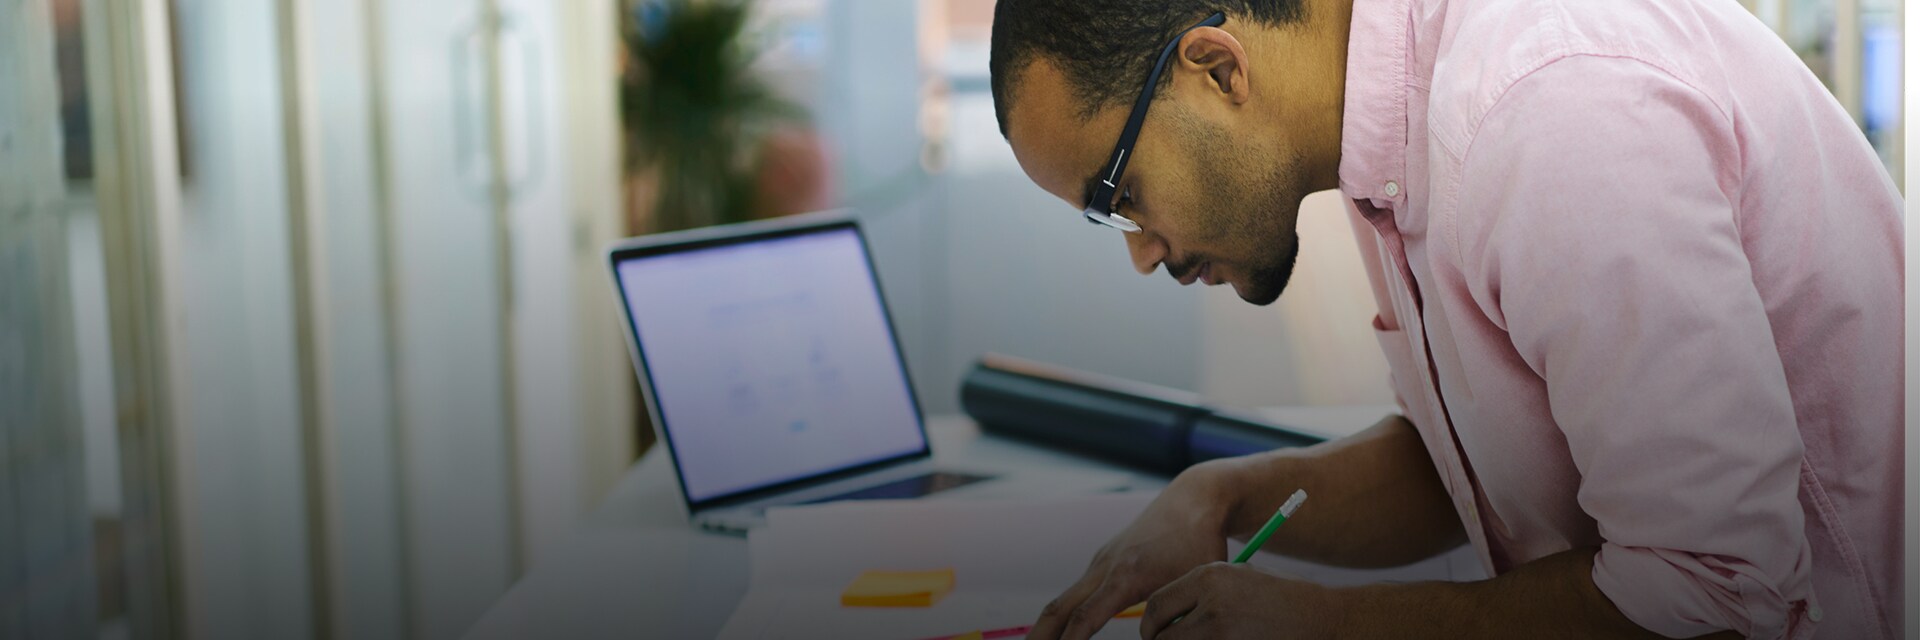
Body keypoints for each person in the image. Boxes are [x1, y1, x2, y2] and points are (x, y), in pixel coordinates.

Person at [987, 0, 1904, 637]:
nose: (1142, 251)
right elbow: (1475, 462)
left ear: (1217, 68)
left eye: (1122, 193)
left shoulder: (1543, 110)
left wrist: (1329, 629)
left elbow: (1714, 592)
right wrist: (1218, 497)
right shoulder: (1384, 135)